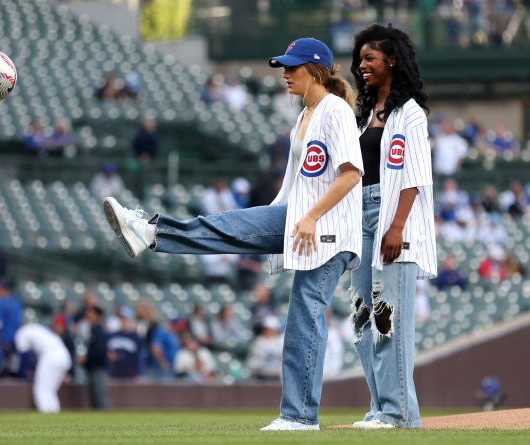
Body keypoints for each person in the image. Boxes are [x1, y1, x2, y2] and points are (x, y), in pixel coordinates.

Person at [103, 37, 363, 430]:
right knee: (231, 226)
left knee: (304, 316)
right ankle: (152, 233)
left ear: (316, 70)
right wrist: (268, 227)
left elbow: (350, 174)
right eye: (284, 66)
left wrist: (309, 217)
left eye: (293, 66)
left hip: (330, 231)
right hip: (299, 221)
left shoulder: (335, 111)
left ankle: (300, 417)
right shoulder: (303, 116)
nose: (285, 74)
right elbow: (293, 187)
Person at [348, 23, 437, 430]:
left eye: (370, 58)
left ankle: (394, 412)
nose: (362, 65)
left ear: (392, 60)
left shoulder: (410, 113)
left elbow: (415, 176)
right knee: (363, 319)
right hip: (360, 217)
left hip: (389, 215)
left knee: (388, 321)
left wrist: (397, 227)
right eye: (360, 58)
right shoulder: (363, 113)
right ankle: (387, 410)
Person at [14, 323, 72, 413]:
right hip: (64, 356)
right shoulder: (37, 328)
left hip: (50, 356)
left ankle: (45, 415)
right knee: (50, 391)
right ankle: (55, 415)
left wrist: (21, 375)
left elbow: (24, 357)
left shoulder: (21, 332)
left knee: (41, 389)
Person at [77, 305, 111, 409]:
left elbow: (99, 352)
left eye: (91, 313)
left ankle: (108, 421)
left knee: (100, 397)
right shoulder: (93, 330)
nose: (88, 316)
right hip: (93, 369)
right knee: (95, 398)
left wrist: (86, 359)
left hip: (98, 369)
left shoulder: (99, 331)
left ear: (97, 316)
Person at [0, 278, 22, 376]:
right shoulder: (17, 304)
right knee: (11, 373)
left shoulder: (1, 303)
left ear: (4, 289)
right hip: (14, 342)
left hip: (1, 342)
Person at [106, 306, 144, 379]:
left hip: (130, 375)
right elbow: (108, 352)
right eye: (122, 319)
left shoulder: (136, 337)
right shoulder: (112, 336)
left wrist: (139, 373)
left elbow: (139, 357)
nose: (124, 321)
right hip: (114, 374)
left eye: (126, 319)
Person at [246, 315, 284, 381]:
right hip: (261, 376)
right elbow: (253, 360)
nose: (269, 331)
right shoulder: (258, 341)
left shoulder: (280, 341)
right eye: (267, 329)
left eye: (272, 329)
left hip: (277, 376)